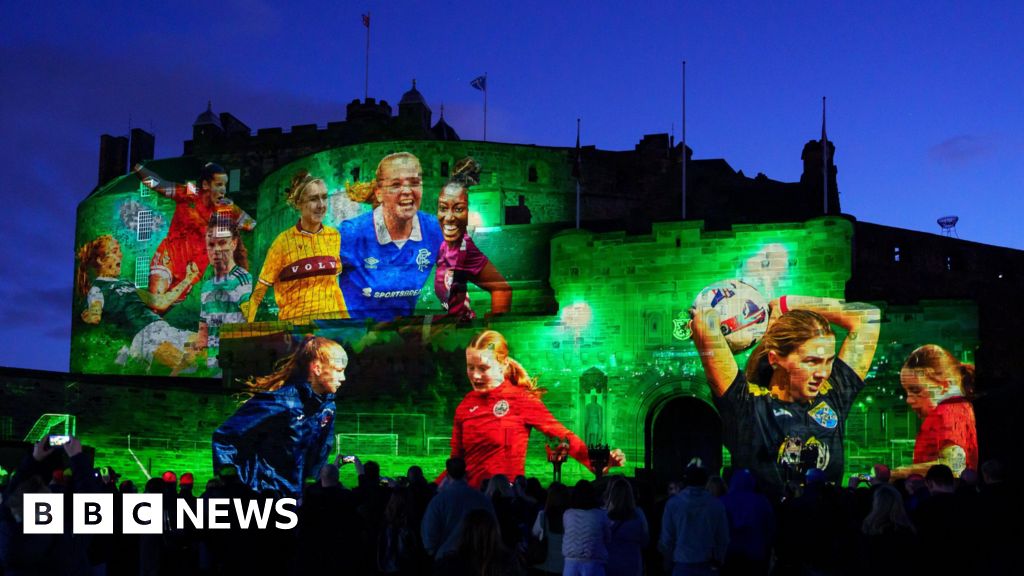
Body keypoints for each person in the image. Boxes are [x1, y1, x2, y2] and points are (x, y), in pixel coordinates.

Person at [690, 295, 880, 495]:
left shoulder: (834, 396)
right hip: (769, 525)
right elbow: (705, 321)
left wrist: (786, 304)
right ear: (775, 359)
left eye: (828, 360)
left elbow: (868, 316)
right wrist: (736, 314)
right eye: (811, 361)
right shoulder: (747, 405)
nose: (823, 373)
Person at [448, 330, 625, 488]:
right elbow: (456, 460)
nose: (475, 375)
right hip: (468, 501)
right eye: (470, 367)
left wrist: (600, 461)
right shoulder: (466, 405)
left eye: (483, 368)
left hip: (507, 500)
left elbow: (562, 435)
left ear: (503, 365)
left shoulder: (521, 400)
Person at [211, 336, 346, 497]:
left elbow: (322, 450)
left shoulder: (328, 408)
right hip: (266, 496)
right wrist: (233, 483)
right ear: (317, 368)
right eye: (338, 370)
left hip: (298, 498)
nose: (343, 378)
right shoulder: (282, 401)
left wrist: (312, 484)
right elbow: (224, 437)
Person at [339, 152, 444, 321]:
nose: (407, 191)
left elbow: (485, 277)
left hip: (409, 340)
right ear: (379, 193)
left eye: (415, 183)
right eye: (396, 185)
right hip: (357, 341)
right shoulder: (351, 233)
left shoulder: (434, 229)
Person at [133, 162, 255, 307]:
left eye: (225, 185)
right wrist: (139, 169)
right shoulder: (190, 193)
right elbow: (159, 185)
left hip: (192, 271)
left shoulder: (225, 208)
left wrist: (233, 216)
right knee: (155, 299)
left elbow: (251, 224)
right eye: (218, 184)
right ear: (205, 185)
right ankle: (125, 294)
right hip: (169, 256)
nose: (223, 190)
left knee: (159, 310)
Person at [76, 235, 199, 373]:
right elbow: (95, 310)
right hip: (144, 337)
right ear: (101, 260)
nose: (120, 255)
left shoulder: (126, 284)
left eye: (120, 250)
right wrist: (92, 316)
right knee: (187, 366)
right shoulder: (98, 288)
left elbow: (161, 302)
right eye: (115, 251)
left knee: (203, 348)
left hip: (163, 328)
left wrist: (188, 279)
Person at [245, 170, 348, 323]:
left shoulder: (334, 236)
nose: (321, 205)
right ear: (299, 203)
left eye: (324, 198)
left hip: (330, 327)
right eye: (313, 199)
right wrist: (245, 327)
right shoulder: (282, 242)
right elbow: (260, 289)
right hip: (295, 331)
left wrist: (347, 323)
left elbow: (334, 286)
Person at [434, 157, 511, 319]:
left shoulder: (464, 246)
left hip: (454, 337)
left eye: (459, 208)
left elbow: (502, 290)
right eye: (443, 208)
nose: (449, 217)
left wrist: (494, 329)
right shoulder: (433, 241)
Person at [892, 344, 978, 478]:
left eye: (916, 390)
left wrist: (897, 474)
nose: (909, 400)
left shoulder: (948, 412)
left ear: (944, 386)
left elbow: (954, 466)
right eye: (907, 392)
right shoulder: (961, 408)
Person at [197, 215, 252, 371]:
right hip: (212, 369)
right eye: (211, 244)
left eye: (222, 243)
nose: (216, 250)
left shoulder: (244, 281)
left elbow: (253, 327)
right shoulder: (207, 286)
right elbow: (203, 331)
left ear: (233, 243)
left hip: (236, 368)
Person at [659, 465, 730, 576]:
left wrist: (668, 560)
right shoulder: (716, 504)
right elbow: (723, 538)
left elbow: (667, 538)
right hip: (708, 563)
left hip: (681, 563)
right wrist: (719, 559)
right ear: (705, 481)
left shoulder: (673, 504)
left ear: (685, 481)